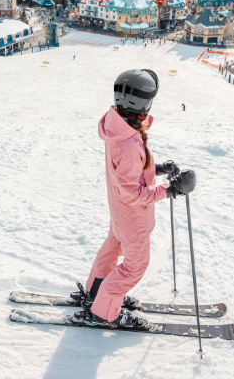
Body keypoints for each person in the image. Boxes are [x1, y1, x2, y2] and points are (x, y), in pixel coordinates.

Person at [75, 69, 197, 330]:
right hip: (133, 219)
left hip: (120, 214)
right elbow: (132, 193)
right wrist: (171, 189)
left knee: (111, 250)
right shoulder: (130, 144)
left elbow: (127, 174)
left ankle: (96, 292)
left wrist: (158, 168)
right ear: (144, 105)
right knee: (134, 267)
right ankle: (105, 311)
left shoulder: (117, 130)